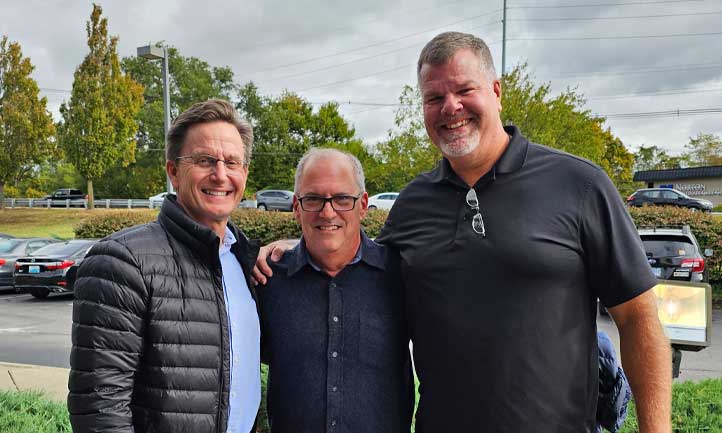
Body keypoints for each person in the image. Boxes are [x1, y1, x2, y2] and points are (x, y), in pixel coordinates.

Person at [256, 32, 671, 433]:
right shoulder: (413, 205)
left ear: (495, 90)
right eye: (434, 98)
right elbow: (357, 260)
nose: (450, 107)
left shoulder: (578, 184)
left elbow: (637, 317)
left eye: (464, 90)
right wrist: (303, 244)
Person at [68, 99, 261, 433]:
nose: (220, 174)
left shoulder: (242, 261)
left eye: (233, 162)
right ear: (173, 171)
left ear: (244, 173)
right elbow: (101, 409)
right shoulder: (121, 261)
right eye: (205, 161)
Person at [258, 148, 413, 433]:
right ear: (296, 206)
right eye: (313, 199)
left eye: (342, 198)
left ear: (363, 204)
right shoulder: (268, 279)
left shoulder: (402, 275)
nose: (327, 212)